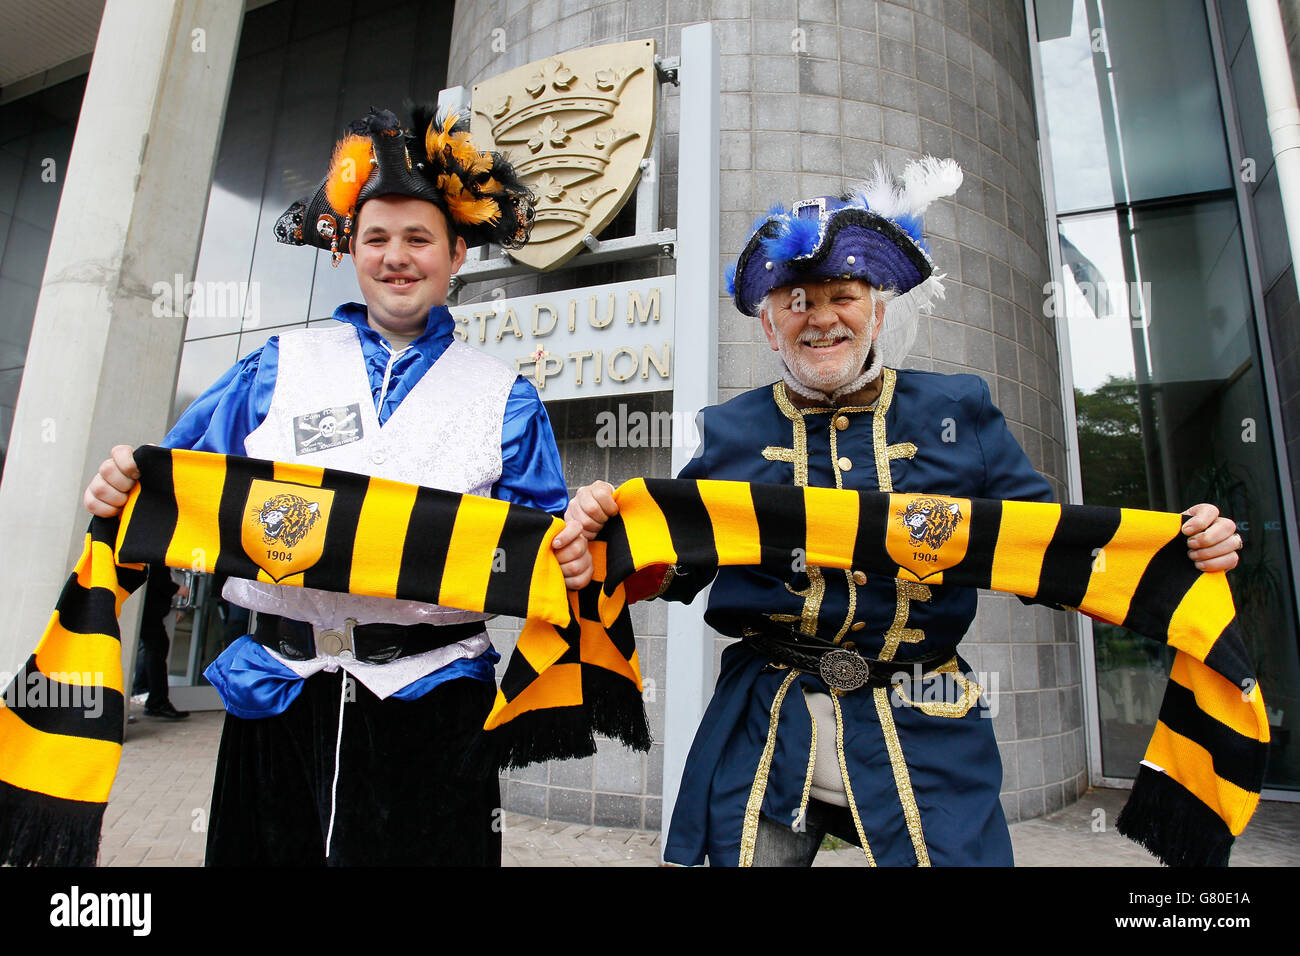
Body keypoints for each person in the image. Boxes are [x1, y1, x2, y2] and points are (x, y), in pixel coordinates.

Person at [554, 158, 1244, 866]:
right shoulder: (730, 429)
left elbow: (1054, 548)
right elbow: (669, 566)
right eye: (795, 299)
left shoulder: (956, 409)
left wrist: (1181, 551)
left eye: (842, 295)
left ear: (878, 310)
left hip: (925, 718)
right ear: (769, 327)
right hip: (769, 722)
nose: (820, 317)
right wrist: (601, 533)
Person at [85, 105, 586, 866]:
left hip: (433, 702)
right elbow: (175, 477)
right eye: (376, 238)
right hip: (277, 694)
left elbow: (548, 545)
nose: (396, 257)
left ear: (456, 254)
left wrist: (580, 545)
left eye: (419, 239)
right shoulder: (278, 365)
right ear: (350, 249)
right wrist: (125, 481)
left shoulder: (503, 395)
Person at [132, 563, 190, 720]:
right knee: (156, 649)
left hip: (147, 610)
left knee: (153, 649)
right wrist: (178, 589)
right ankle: (156, 701)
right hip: (149, 611)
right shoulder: (154, 552)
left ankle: (148, 694)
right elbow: (157, 579)